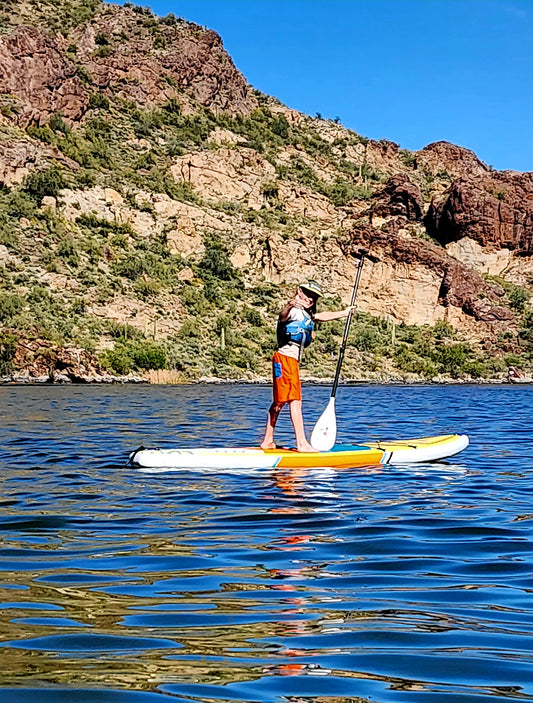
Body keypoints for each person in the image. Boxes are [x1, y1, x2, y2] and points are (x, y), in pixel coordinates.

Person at [260, 279, 354, 452]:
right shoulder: (294, 311)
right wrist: (289, 305)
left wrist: (344, 313)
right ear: (299, 292)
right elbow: (283, 316)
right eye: (308, 294)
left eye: (314, 297)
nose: (310, 299)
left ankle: (267, 441)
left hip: (286, 361)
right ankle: (302, 443)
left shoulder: (306, 314)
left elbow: (322, 316)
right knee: (295, 402)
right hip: (286, 360)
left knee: (279, 403)